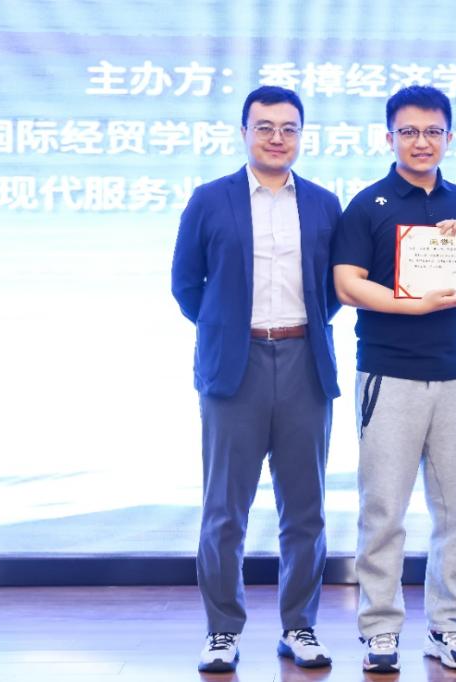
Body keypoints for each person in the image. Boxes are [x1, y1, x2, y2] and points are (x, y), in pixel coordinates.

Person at [332, 85, 456, 673]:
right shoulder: (368, 204)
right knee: (383, 510)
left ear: (449, 138)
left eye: (432, 132)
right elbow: (346, 284)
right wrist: (410, 305)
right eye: (408, 132)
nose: (421, 142)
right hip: (389, 374)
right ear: (389, 137)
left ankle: (448, 625)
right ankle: (380, 630)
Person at [171, 85, 341, 673]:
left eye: (289, 128)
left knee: (306, 509)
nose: (277, 138)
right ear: (244, 132)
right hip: (233, 367)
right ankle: (222, 630)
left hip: (303, 363)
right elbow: (185, 284)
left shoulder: (323, 203)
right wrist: (225, 327)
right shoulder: (209, 199)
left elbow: (332, 289)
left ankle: (300, 626)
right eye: (264, 127)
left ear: (301, 135)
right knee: (225, 510)